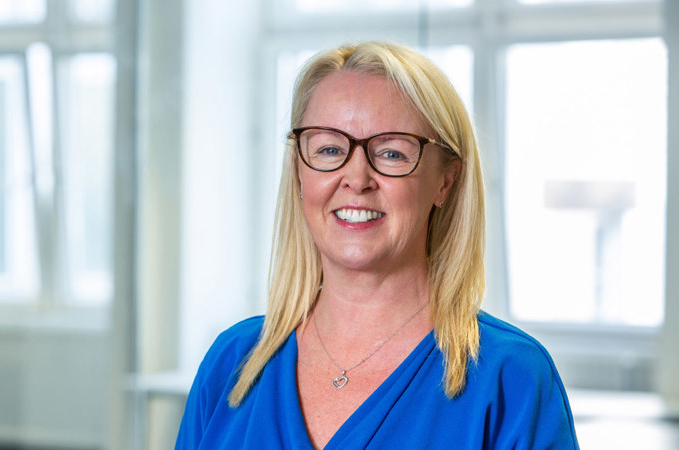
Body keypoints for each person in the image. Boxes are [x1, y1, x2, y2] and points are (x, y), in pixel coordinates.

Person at [175, 41, 578, 449]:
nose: (357, 178)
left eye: (391, 153)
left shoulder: (511, 379)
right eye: (329, 149)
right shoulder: (232, 363)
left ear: (445, 180)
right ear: (299, 173)